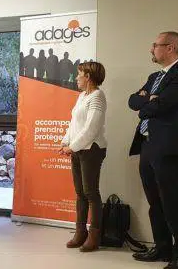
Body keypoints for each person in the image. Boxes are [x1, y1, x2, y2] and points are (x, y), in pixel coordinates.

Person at [128, 31, 178, 268]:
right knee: (154, 202)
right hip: (147, 144)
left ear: (171, 48)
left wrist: (148, 101)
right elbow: (133, 102)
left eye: (156, 45)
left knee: (173, 202)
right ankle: (162, 248)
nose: (151, 49)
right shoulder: (154, 76)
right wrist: (150, 99)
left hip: (168, 148)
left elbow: (163, 105)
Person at [59, 61, 107, 252]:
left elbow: (91, 128)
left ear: (88, 77)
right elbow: (74, 123)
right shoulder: (82, 96)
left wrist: (72, 147)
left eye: (79, 74)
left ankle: (94, 235)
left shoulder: (98, 96)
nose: (76, 78)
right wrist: (65, 142)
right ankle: (80, 232)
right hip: (78, 149)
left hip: (92, 150)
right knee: (80, 193)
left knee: (91, 193)